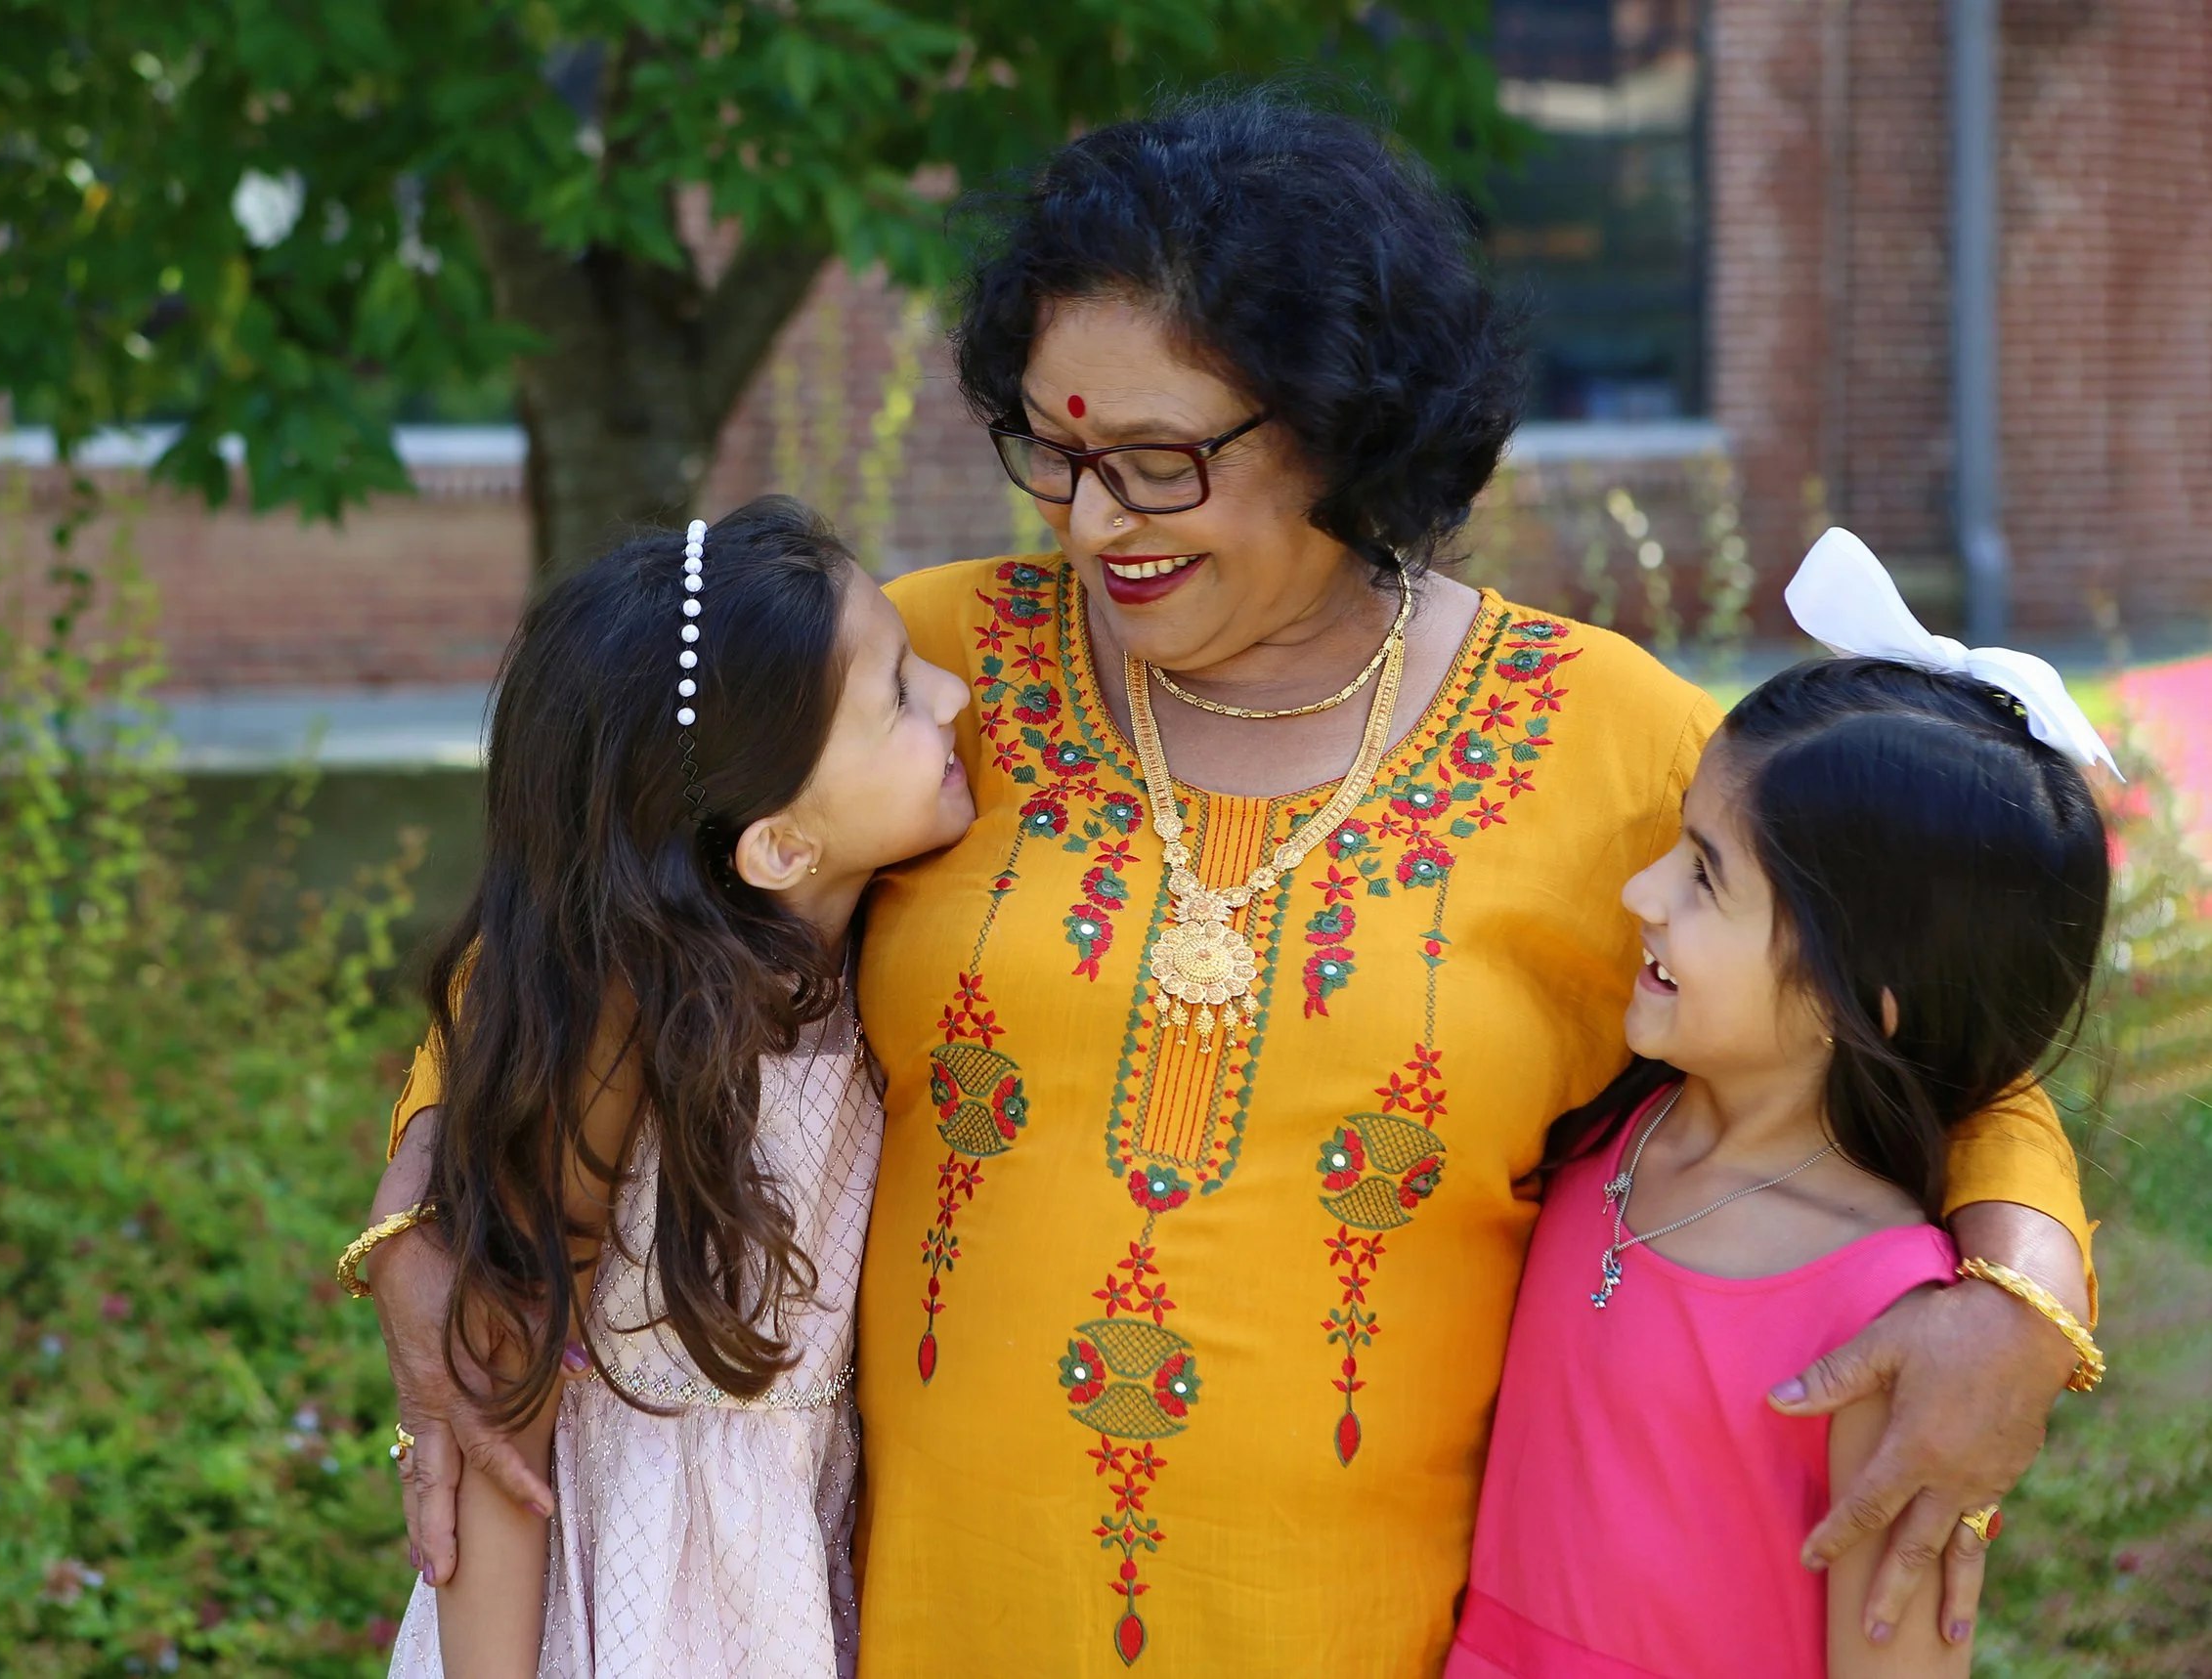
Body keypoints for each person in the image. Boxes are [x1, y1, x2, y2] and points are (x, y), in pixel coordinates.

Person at [371, 95, 2103, 1676]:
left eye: (1158, 460)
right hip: (905, 1622)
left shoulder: (1609, 746)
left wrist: (2018, 1298)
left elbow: (1939, 1020)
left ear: (1345, 429)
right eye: (1051, 453)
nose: (1087, 522)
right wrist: (421, 1216)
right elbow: (592, 907)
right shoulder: (917, 672)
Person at [1447, 530, 2115, 1679]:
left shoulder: (1892, 1317)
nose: (1637, 892)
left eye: (1705, 874)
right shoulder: (1612, 1118)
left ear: (1865, 996)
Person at [357, 497, 974, 1678]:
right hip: (622, 1596)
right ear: (779, 845)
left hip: (790, 1564)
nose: (952, 695)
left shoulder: (850, 969)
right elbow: (502, 1392)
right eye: (897, 690)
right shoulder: (627, 1021)